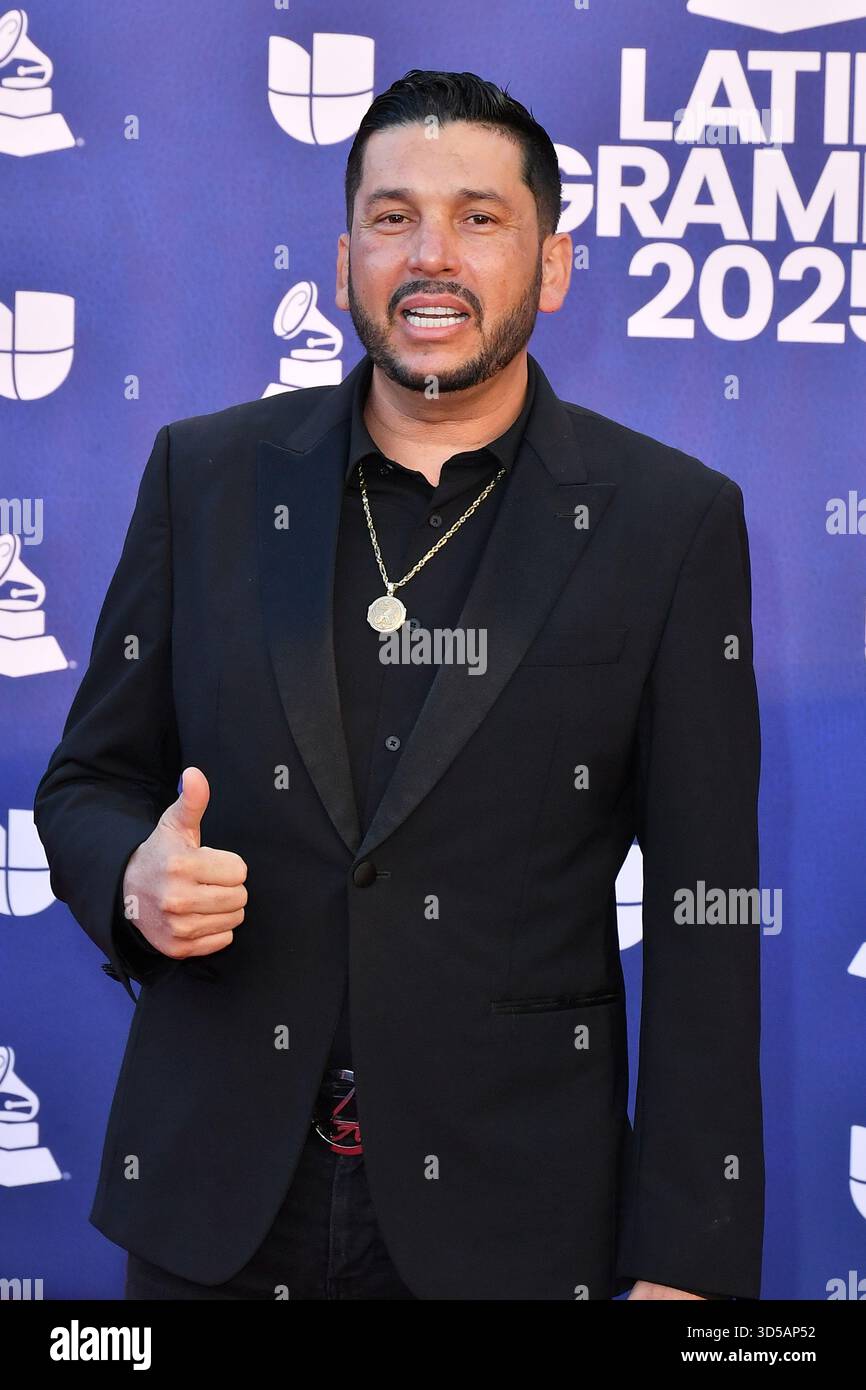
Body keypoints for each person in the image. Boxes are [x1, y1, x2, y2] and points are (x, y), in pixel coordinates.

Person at [33, 69, 763, 1300]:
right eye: (391, 217)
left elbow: (706, 915)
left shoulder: (671, 523)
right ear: (343, 257)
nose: (431, 256)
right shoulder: (203, 480)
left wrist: (685, 1268)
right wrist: (131, 880)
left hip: (515, 1223)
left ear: (552, 264)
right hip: (214, 1204)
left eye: (479, 218)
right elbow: (90, 780)